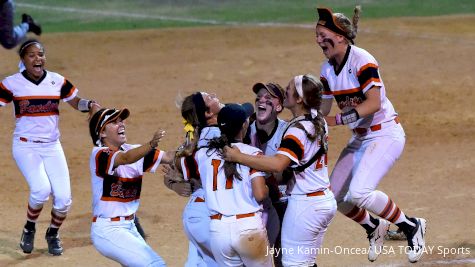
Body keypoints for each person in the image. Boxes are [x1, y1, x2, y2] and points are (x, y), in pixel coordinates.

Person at [315, 6, 427, 263]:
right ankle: (374, 227)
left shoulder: (363, 60)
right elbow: (324, 108)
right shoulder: (327, 70)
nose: (319, 40)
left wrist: (337, 119)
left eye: (324, 34)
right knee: (334, 199)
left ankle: (411, 226)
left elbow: (373, 103)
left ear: (341, 36)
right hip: (360, 139)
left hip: (384, 134)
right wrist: (314, 117)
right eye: (317, 34)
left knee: (360, 193)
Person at [225, 74, 337, 267]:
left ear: (299, 99)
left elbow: (278, 165)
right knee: (306, 263)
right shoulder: (318, 120)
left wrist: (238, 157)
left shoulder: (296, 130)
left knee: (292, 264)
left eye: (289, 88)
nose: (286, 90)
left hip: (305, 204)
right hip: (322, 199)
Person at [0, 39, 96, 255]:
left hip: (52, 146)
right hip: (25, 147)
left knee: (63, 199)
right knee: (41, 190)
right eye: (32, 55)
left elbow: (75, 101)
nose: (38, 58)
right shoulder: (12, 83)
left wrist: (89, 104)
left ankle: (52, 233)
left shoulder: (56, 81)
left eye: (40, 54)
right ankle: (29, 228)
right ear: (23, 60)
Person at [88, 107, 175, 267]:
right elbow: (126, 158)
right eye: (114, 122)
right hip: (108, 230)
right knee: (155, 264)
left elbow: (169, 157)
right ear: (102, 133)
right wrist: (150, 144)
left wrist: (192, 146)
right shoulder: (99, 154)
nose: (121, 124)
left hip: (129, 226)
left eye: (121, 120)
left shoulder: (132, 150)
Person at [197, 103, 272, 266]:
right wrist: (268, 187)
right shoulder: (251, 154)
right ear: (244, 125)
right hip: (248, 229)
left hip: (218, 231)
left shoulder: (203, 154)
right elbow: (260, 194)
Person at [163, 91, 224, 267]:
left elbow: (175, 168)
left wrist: (179, 180)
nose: (214, 94)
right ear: (207, 113)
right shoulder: (215, 137)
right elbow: (169, 175)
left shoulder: (194, 141)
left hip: (198, 212)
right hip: (210, 212)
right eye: (208, 97)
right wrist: (175, 186)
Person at [246, 81, 288, 266]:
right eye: (259, 97)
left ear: (279, 106)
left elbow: (284, 175)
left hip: (283, 202)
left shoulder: (288, 132)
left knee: (282, 256)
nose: (261, 100)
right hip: (252, 203)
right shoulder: (245, 129)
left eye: (268, 98)